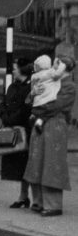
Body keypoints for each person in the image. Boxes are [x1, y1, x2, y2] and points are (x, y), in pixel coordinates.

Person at [23, 54, 75, 217]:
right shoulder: (49, 80)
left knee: (51, 163)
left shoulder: (69, 86)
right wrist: (32, 94)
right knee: (36, 162)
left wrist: (36, 110)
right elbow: (27, 101)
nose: (52, 67)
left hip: (54, 125)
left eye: (56, 64)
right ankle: (38, 201)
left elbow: (55, 106)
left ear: (63, 67)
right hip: (42, 124)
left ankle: (53, 205)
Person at [0, 56, 34, 208]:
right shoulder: (12, 86)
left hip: (24, 130)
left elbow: (25, 109)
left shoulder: (29, 87)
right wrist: (4, 115)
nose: (13, 70)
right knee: (18, 166)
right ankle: (23, 196)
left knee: (25, 165)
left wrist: (10, 119)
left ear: (22, 70)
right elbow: (3, 103)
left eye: (15, 68)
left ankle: (28, 197)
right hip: (13, 128)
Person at [28, 55, 67, 131]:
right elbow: (58, 73)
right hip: (48, 101)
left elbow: (32, 90)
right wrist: (62, 65)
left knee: (42, 111)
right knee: (56, 109)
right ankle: (39, 121)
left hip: (37, 103)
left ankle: (34, 116)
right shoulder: (50, 73)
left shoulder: (34, 76)